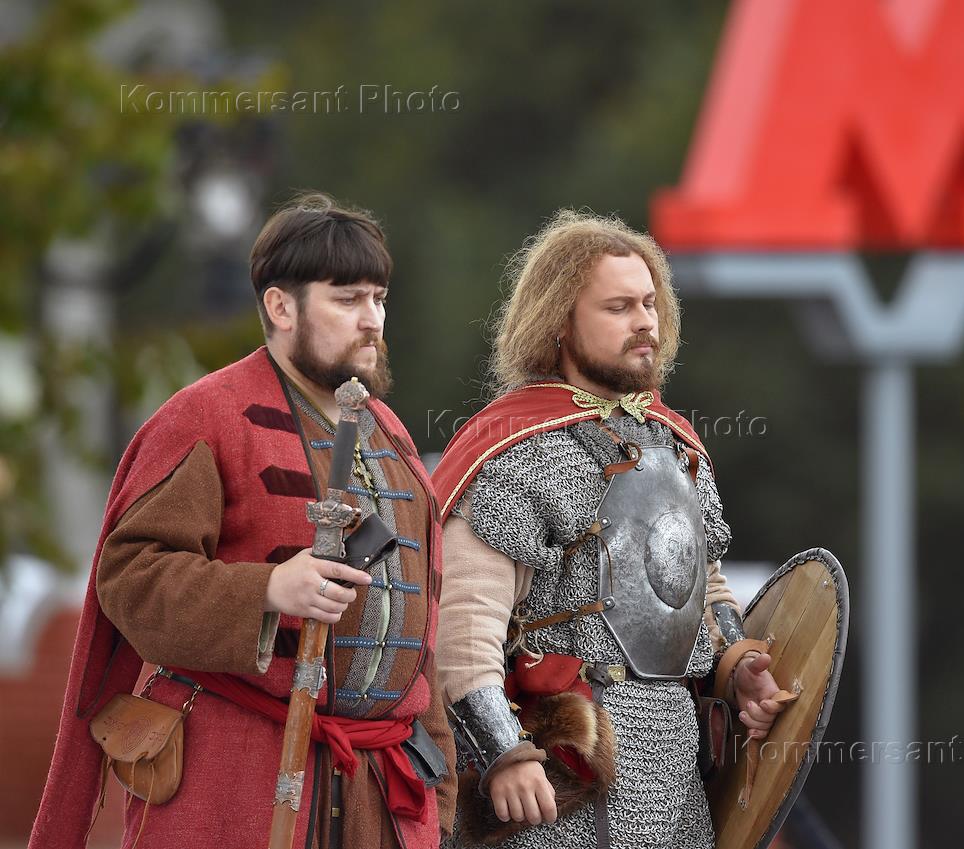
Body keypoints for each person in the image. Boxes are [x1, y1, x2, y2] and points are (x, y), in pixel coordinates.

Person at [30, 193, 456, 849]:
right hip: (236, 782)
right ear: (282, 307)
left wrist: (441, 796)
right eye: (347, 299)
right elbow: (130, 579)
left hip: (377, 795)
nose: (372, 319)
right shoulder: (206, 417)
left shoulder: (391, 433)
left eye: (378, 299)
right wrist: (267, 589)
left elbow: (422, 631)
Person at [431, 210, 785, 849]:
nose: (645, 322)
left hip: (678, 762)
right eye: (619, 307)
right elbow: (464, 624)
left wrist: (738, 667)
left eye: (649, 303)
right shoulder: (515, 451)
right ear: (559, 322)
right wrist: (506, 754)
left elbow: (700, 591)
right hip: (563, 770)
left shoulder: (674, 444)